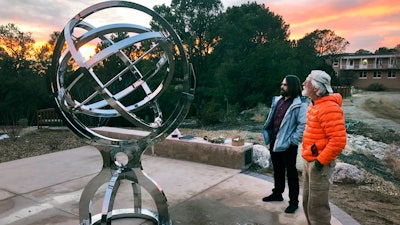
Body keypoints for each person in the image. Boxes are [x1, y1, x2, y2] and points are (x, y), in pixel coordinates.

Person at [301, 70, 347, 225]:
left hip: (319, 164)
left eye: (306, 81)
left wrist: (320, 162)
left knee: (318, 208)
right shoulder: (314, 104)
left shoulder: (329, 108)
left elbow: (338, 141)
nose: (303, 84)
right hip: (309, 160)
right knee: (308, 202)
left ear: (315, 87)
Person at [261, 74, 308, 214]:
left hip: (288, 145)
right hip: (275, 142)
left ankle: (293, 202)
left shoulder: (300, 103)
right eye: (282, 84)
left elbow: (303, 124)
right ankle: (277, 193)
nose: (282, 87)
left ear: (292, 86)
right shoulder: (278, 100)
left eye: (285, 85)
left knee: (291, 173)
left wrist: (293, 141)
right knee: (278, 170)